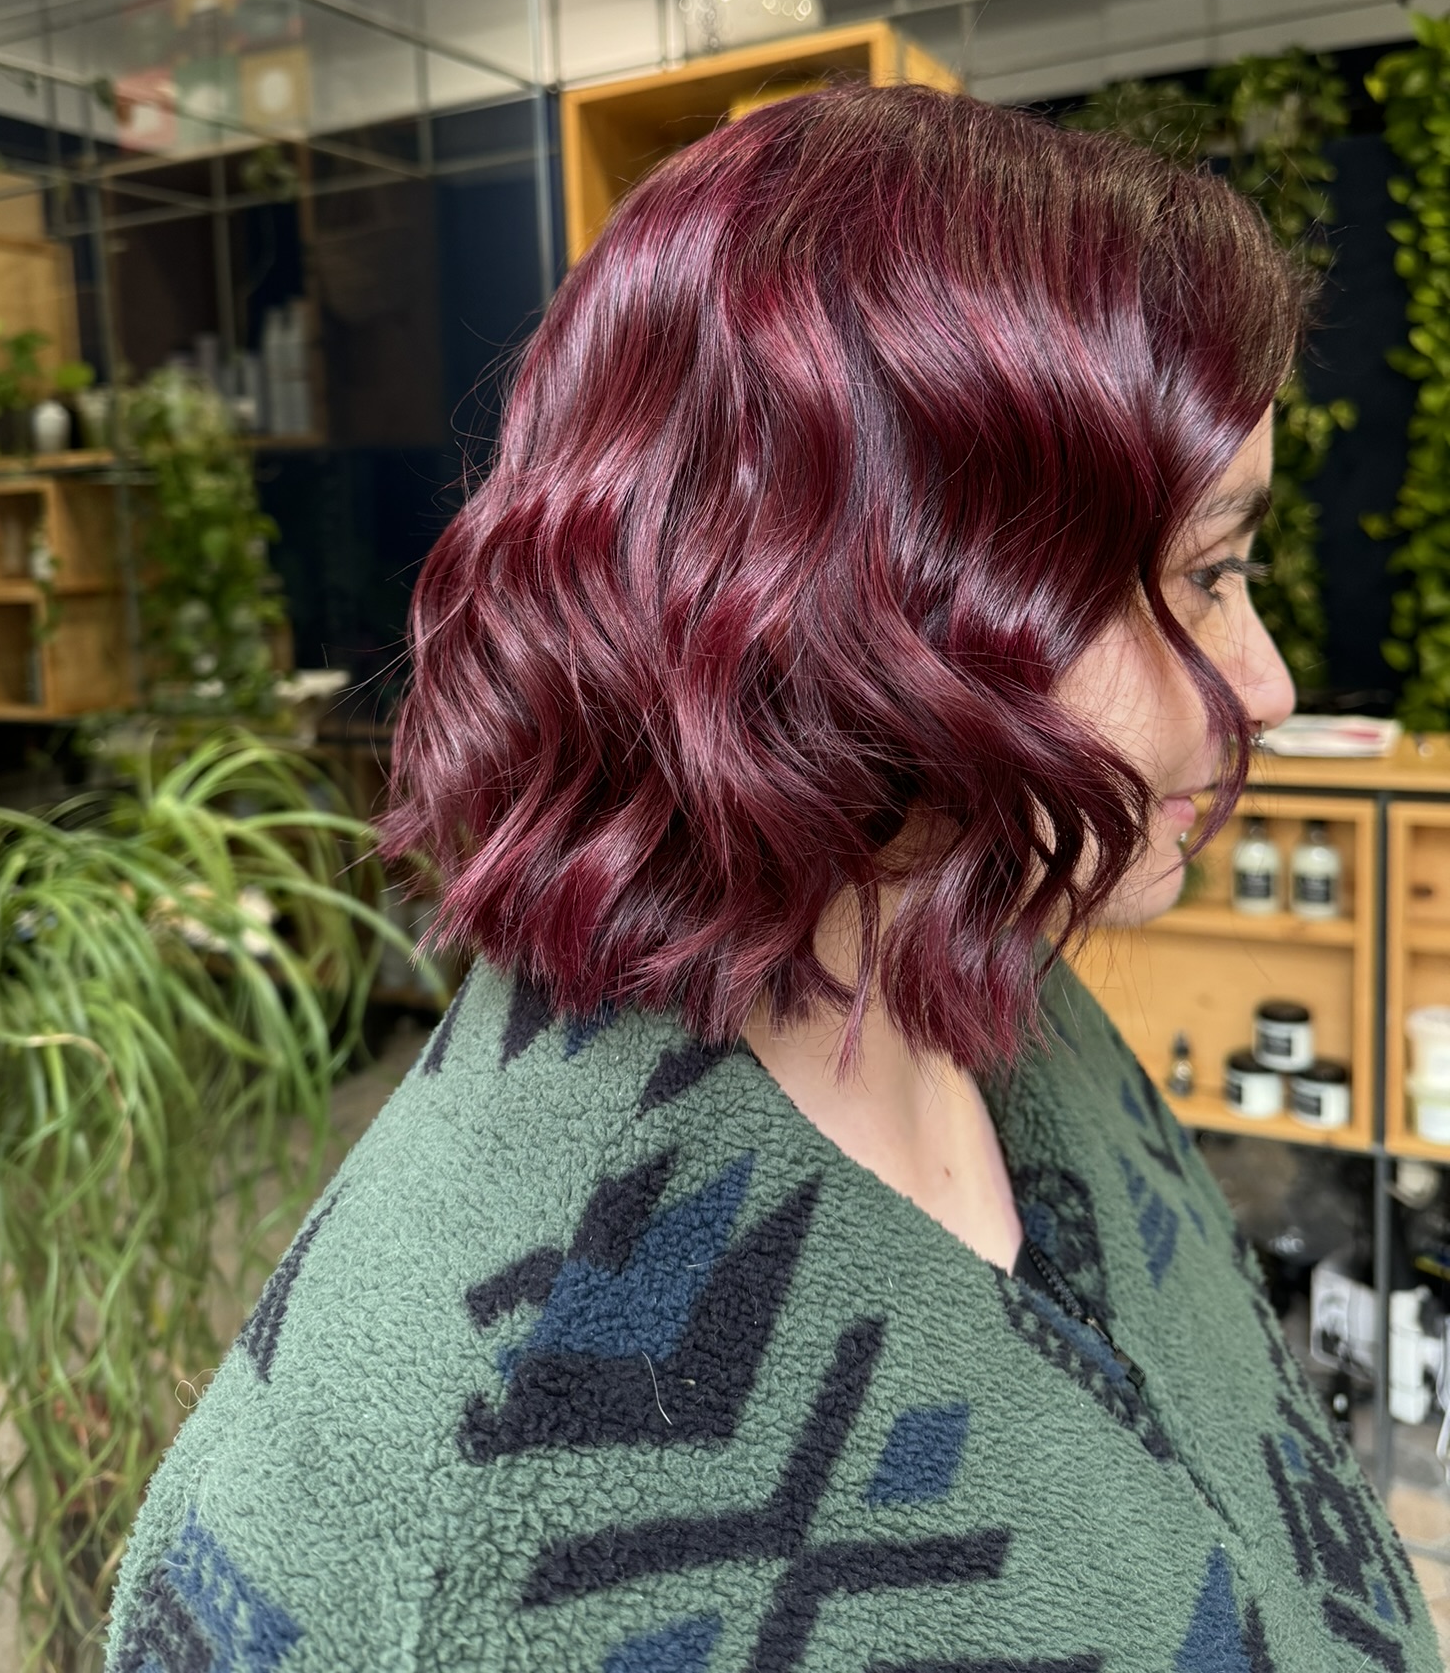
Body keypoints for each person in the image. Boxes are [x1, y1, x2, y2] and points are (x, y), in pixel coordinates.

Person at [105, 86, 1437, 1671]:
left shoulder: (995, 981)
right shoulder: (426, 1509)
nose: (1266, 682)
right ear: (890, 599)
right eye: (1210, 575)